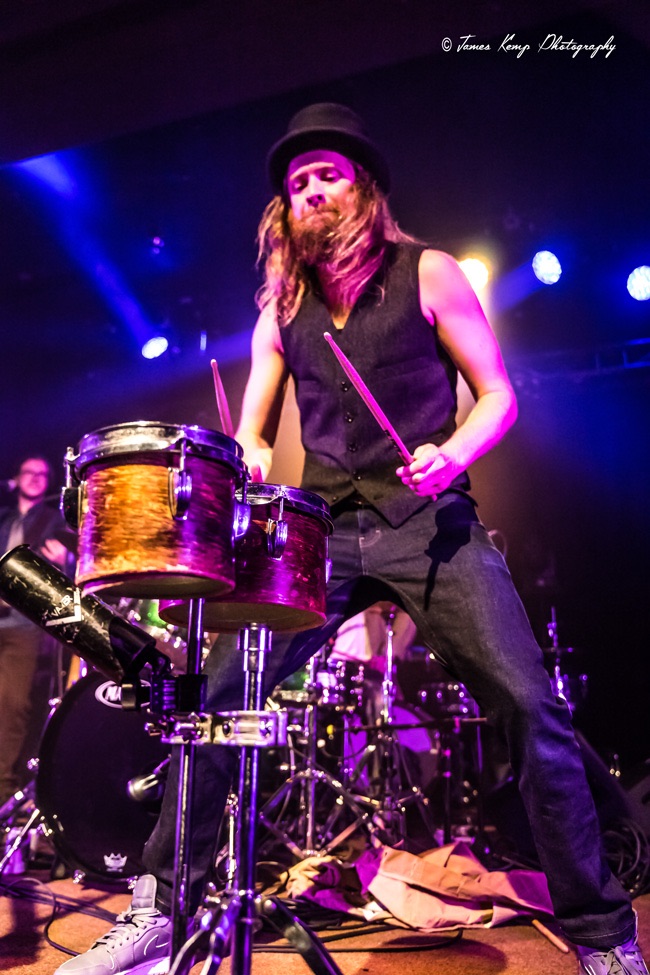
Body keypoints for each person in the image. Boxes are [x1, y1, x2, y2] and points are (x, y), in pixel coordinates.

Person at [56, 104, 647, 975]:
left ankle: (603, 938)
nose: (311, 191)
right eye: (297, 184)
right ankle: (157, 910)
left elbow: (499, 396)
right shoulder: (282, 306)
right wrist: (253, 457)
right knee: (215, 705)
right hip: (322, 533)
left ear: (363, 187)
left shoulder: (430, 272)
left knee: (530, 705)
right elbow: (254, 429)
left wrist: (453, 454)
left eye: (326, 175)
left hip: (431, 528)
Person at [0, 455, 69, 808]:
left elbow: (72, 563)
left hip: (23, 625)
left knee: (11, 706)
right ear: (16, 477)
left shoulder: (54, 521)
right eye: (28, 471)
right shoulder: (5, 517)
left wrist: (64, 561)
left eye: (43, 474)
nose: (36, 478)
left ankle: (4, 795)